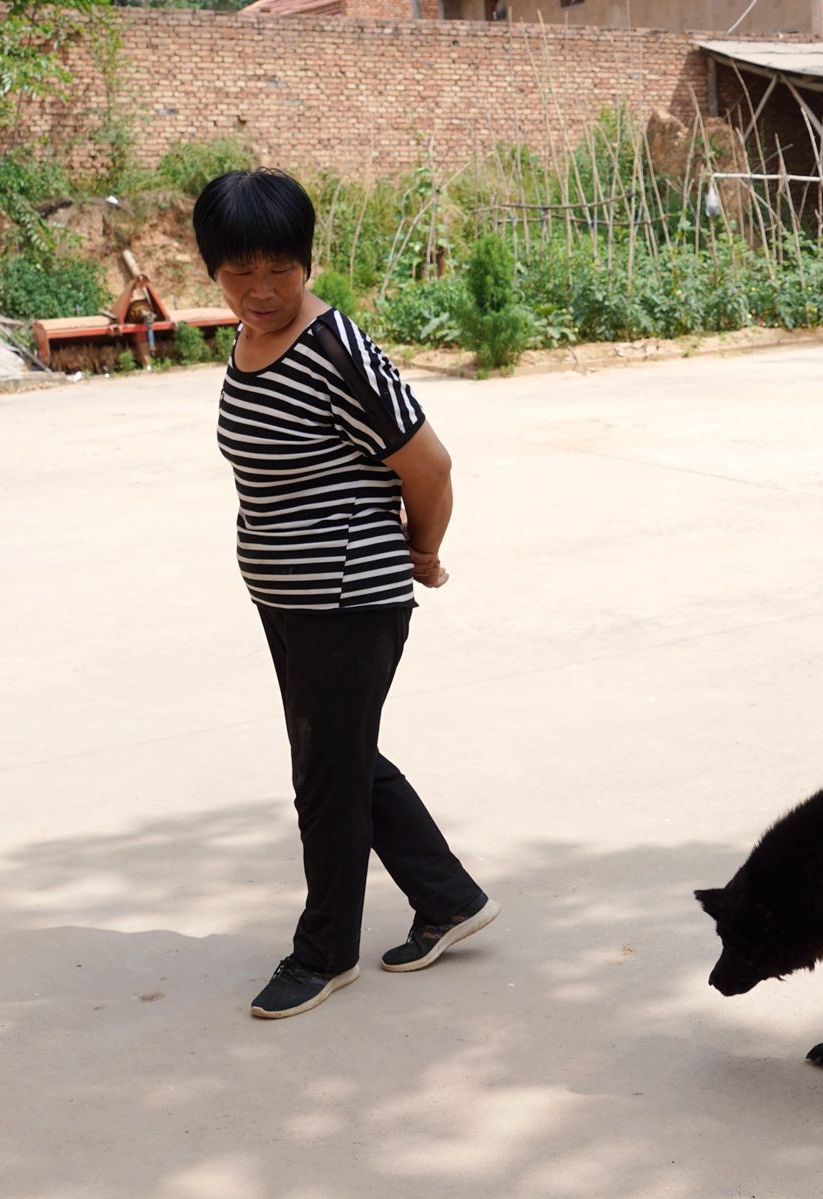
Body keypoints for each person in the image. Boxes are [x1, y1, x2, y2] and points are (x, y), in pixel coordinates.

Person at [193, 168, 496, 1019]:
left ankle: (324, 953)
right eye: (239, 272)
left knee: (324, 777)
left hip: (348, 599)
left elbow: (430, 465)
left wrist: (423, 550)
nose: (261, 290)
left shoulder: (337, 353)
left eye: (280, 270)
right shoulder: (253, 339)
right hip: (289, 599)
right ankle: (449, 899)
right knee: (341, 756)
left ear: (308, 260)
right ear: (212, 269)